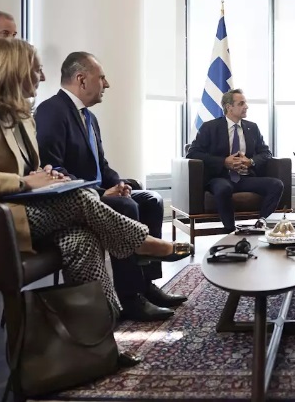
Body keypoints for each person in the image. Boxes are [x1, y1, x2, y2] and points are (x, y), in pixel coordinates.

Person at [0, 39, 191, 322]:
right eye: (37, 70)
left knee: (83, 240)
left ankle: (100, 329)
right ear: (12, 69)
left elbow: (31, 170)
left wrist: (46, 176)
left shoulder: (19, 117)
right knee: (79, 197)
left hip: (14, 213)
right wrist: (24, 183)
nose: (43, 77)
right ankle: (141, 243)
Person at [34, 51, 185, 322]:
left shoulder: (89, 118)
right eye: (101, 77)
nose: (107, 84)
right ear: (81, 79)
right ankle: (130, 298)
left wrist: (118, 183)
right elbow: (52, 169)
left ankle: (146, 284)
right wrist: (102, 193)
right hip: (72, 202)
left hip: (98, 193)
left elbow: (101, 165)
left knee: (151, 200)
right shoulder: (51, 111)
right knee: (125, 205)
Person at [187, 89, 284, 232]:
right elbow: (193, 153)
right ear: (229, 107)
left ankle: (261, 222)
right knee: (224, 189)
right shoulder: (210, 127)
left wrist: (250, 161)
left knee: (276, 184)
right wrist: (223, 162)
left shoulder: (252, 127)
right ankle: (230, 230)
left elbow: (266, 153)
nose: (246, 107)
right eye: (241, 103)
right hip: (220, 177)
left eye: (245, 103)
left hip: (245, 178)